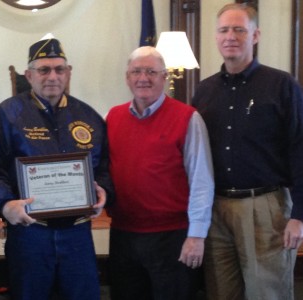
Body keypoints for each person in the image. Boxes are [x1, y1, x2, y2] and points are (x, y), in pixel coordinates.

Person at [191, 3, 303, 299]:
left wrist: (301, 214)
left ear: (255, 35)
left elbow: (302, 150)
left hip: (266, 209)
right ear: (216, 36)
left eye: (239, 29)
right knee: (221, 293)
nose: (230, 36)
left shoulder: (281, 85)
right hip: (216, 209)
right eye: (224, 30)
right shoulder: (204, 91)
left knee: (267, 293)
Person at [0, 35, 113, 300]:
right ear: (29, 74)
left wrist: (103, 190)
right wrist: (4, 205)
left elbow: (105, 166)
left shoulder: (89, 117)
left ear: (68, 72)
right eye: (44, 69)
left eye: (59, 69)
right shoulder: (6, 115)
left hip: (77, 234)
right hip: (30, 235)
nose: (52, 76)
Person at [105, 46, 214, 299]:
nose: (143, 78)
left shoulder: (188, 118)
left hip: (172, 238)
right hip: (124, 235)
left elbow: (202, 181)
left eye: (152, 72)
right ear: (127, 77)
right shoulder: (113, 117)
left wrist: (196, 235)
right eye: (137, 71)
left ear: (165, 77)